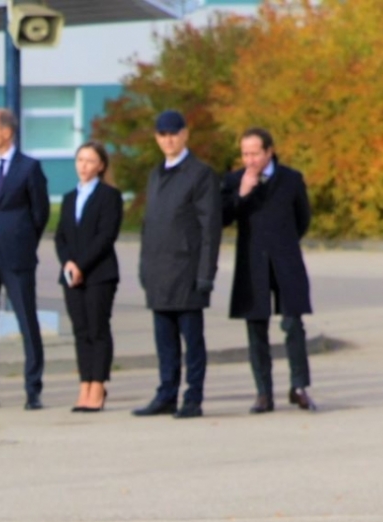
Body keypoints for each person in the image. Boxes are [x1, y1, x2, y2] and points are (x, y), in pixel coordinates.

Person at [134, 109, 221, 419]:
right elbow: (149, 225)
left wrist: (206, 274)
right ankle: (166, 393)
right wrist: (144, 267)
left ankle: (193, 397)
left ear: (185, 134)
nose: (168, 139)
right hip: (158, 271)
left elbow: (210, 228)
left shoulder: (200, 174)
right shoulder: (156, 174)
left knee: (192, 341)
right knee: (164, 340)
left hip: (187, 271)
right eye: (163, 134)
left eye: (174, 133)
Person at [222, 127, 316, 413]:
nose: (249, 160)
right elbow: (223, 217)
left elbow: (303, 218)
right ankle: (263, 393)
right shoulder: (234, 180)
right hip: (252, 263)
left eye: (254, 154)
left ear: (269, 152)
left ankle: (299, 387)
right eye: (245, 154)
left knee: (293, 324)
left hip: (285, 261)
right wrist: (242, 193)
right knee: (255, 326)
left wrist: (283, 243)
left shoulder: (291, 179)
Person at [0, 107, 50, 411]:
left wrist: (22, 239)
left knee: (27, 320)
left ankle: (33, 389)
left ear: (6, 132)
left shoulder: (28, 168)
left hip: (17, 256)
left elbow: (40, 213)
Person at [55, 142, 124, 412]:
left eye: (90, 161)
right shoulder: (69, 197)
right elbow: (60, 236)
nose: (83, 166)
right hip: (72, 275)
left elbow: (106, 236)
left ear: (101, 166)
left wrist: (82, 265)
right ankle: (84, 383)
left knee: (97, 328)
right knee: (81, 331)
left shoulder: (109, 196)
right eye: (80, 160)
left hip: (99, 273)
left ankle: (98, 385)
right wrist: (69, 264)